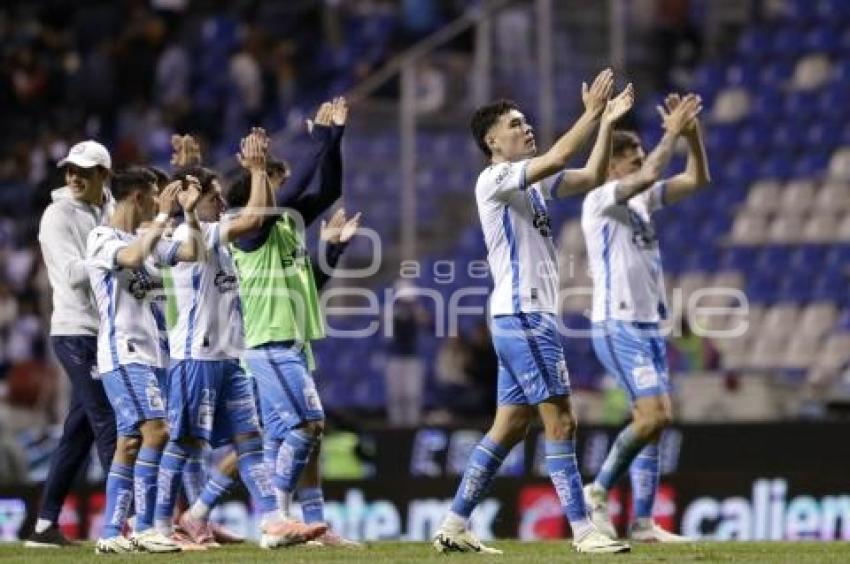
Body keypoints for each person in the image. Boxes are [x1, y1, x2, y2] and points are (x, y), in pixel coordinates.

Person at [433, 69, 634, 555]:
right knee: (561, 421)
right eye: (516, 124)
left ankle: (454, 524)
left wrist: (605, 122)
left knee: (511, 426)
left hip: (519, 317)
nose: (527, 128)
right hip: (524, 316)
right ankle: (584, 531)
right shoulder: (495, 178)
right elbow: (563, 154)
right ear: (492, 140)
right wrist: (589, 113)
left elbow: (588, 176)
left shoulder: (531, 186)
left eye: (526, 122)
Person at [581, 93, 709, 542]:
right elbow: (655, 171)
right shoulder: (601, 199)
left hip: (649, 326)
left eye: (639, 155)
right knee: (652, 416)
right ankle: (596, 491)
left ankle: (642, 522)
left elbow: (696, 179)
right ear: (612, 166)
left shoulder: (639, 204)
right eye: (630, 158)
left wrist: (692, 137)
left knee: (657, 418)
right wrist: (671, 133)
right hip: (617, 324)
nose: (638, 162)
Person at [87, 167, 202, 554]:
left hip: (152, 356)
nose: (159, 201)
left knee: (131, 443)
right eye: (155, 195)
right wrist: (162, 218)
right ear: (138, 197)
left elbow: (192, 252)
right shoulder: (102, 238)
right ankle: (148, 526)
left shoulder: (146, 236)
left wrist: (187, 215)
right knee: (158, 431)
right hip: (124, 352)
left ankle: (110, 534)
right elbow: (133, 257)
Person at [26, 140, 118, 548]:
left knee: (79, 431)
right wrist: (120, 252)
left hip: (107, 332)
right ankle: (127, 524)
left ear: (104, 174)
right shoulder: (57, 215)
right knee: (108, 421)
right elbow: (71, 275)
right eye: (69, 170)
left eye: (83, 169)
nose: (73, 176)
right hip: (75, 331)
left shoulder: (112, 208)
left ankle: (44, 526)